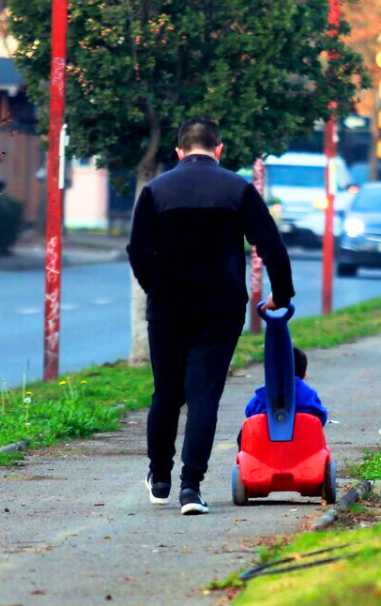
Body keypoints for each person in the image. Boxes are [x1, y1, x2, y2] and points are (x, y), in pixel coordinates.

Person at [127, 117, 294, 516]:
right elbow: (270, 244)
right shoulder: (238, 189)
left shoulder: (156, 190)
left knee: (166, 393)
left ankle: (160, 477)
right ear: (219, 150)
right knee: (204, 397)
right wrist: (281, 294)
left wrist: (157, 289)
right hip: (221, 309)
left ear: (179, 151)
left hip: (168, 309)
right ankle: (191, 488)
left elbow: (138, 250)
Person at [239, 347, 327, 450]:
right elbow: (321, 416)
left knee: (242, 434)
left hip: (267, 450)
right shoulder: (308, 393)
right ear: (303, 374)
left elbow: (249, 412)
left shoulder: (264, 393)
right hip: (303, 449)